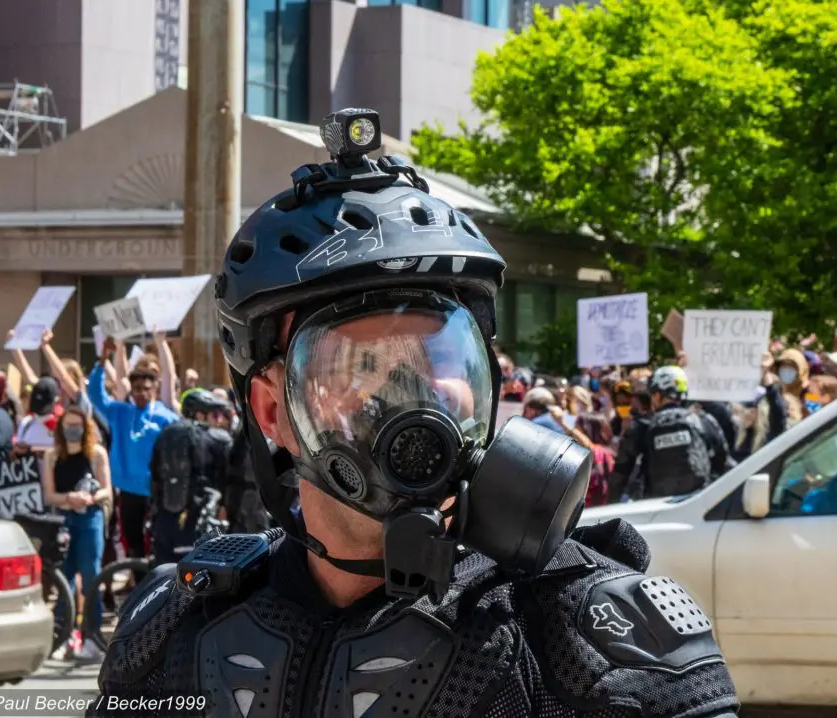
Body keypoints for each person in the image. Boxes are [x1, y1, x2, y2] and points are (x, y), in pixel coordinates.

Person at [90, 109, 737, 717]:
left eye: (436, 361)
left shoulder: (596, 645)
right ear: (270, 410)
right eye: (358, 368)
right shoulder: (176, 633)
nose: (407, 395)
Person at [88, 338, 179, 559]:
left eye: (146, 389)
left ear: (155, 388)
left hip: (156, 491)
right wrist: (103, 358)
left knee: (157, 542)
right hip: (128, 491)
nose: (141, 393)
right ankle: (138, 583)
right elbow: (94, 394)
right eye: (137, 389)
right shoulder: (120, 412)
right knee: (133, 543)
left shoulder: (166, 417)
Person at [40, 406, 112, 660]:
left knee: (91, 575)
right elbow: (49, 495)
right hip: (63, 519)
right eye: (68, 426)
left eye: (77, 425)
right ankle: (64, 636)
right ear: (60, 428)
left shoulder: (96, 454)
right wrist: (69, 498)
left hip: (90, 519)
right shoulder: (52, 456)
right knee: (65, 577)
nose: (73, 431)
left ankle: (92, 635)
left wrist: (89, 498)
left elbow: (107, 490)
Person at [610, 366, 730, 501]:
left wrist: (609, 508)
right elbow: (724, 463)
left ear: (656, 396)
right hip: (699, 504)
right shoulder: (703, 421)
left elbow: (621, 472)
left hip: (658, 508)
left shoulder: (643, 427)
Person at [148, 389, 233, 564]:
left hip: (165, 521)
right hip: (197, 521)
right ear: (200, 415)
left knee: (164, 574)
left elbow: (154, 476)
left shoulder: (165, 434)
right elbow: (228, 479)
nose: (219, 420)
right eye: (214, 415)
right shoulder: (217, 439)